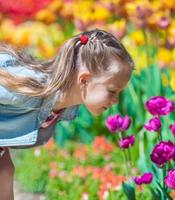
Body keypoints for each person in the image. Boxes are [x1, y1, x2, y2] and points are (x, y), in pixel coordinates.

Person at [0, 28, 134, 200]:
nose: (115, 100)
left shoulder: (62, 104)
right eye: (112, 91)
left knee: (5, 172)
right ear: (84, 80)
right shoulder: (30, 90)